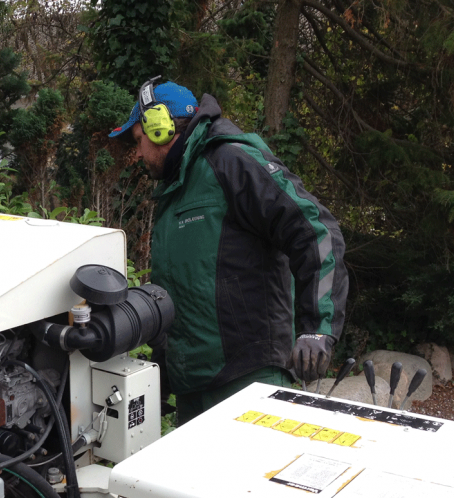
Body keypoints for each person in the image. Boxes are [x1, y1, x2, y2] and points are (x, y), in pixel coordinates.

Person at [110, 78, 348, 424]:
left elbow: (316, 232)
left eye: (138, 140)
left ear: (159, 128)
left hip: (249, 379)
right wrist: (160, 374)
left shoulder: (231, 162)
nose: (139, 154)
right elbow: (175, 290)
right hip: (192, 390)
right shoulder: (172, 193)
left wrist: (318, 327)